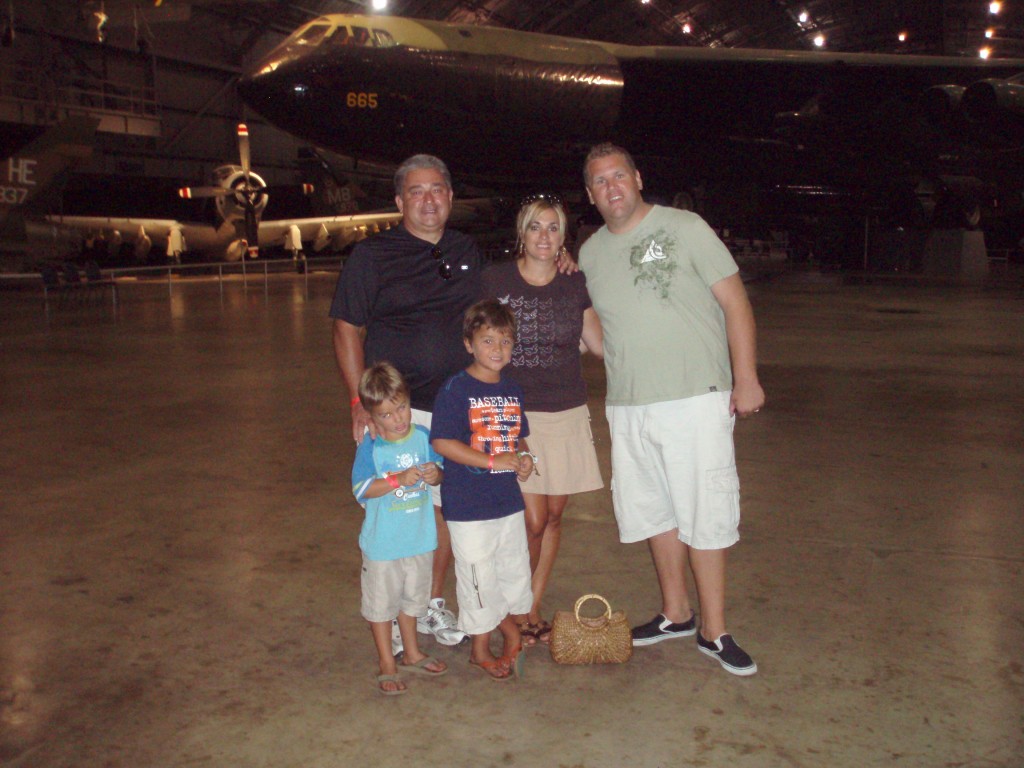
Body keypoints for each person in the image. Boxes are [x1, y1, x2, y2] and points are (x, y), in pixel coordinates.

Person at [579, 142, 766, 676]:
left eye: (619, 175)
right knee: (654, 512)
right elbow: (599, 337)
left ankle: (714, 630)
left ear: (638, 178)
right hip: (629, 404)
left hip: (694, 398)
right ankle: (676, 613)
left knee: (705, 512)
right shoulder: (590, 254)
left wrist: (746, 377)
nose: (612, 187)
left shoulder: (685, 227)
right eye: (599, 181)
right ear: (590, 195)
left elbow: (735, 301)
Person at [331, 154, 478, 654]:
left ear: (450, 197)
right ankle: (394, 615)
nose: (428, 199)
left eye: (437, 189)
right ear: (399, 201)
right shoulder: (372, 255)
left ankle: (427, 604)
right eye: (416, 191)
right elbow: (346, 327)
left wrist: (561, 258)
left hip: (454, 408)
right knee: (397, 511)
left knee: (442, 512)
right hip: (398, 415)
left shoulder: (466, 250)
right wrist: (359, 401)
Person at [482, 195, 604, 645]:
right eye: (535, 227)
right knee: (531, 520)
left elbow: (599, 344)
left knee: (553, 517)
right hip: (514, 413)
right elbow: (474, 340)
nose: (544, 236)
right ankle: (510, 609)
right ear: (522, 232)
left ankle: (531, 608)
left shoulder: (574, 283)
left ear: (563, 237)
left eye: (553, 228)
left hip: (566, 408)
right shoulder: (495, 280)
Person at [430, 300, 536, 681]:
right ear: (468, 344)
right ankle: (481, 648)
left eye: (505, 341)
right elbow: (443, 442)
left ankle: (509, 630)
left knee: (510, 569)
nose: (497, 349)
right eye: (488, 340)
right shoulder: (456, 389)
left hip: (506, 502)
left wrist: (525, 459)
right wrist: (492, 461)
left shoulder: (512, 389)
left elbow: (518, 438)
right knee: (477, 577)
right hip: (468, 505)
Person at [351, 362, 448, 695]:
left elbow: (440, 469)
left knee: (412, 600)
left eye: (402, 408)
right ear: (372, 417)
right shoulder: (372, 445)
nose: (398, 419)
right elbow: (361, 488)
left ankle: (412, 651)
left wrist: (435, 473)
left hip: (418, 539)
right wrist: (396, 480)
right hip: (384, 545)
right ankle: (386, 662)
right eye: (387, 415)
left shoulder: (422, 436)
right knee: (381, 605)